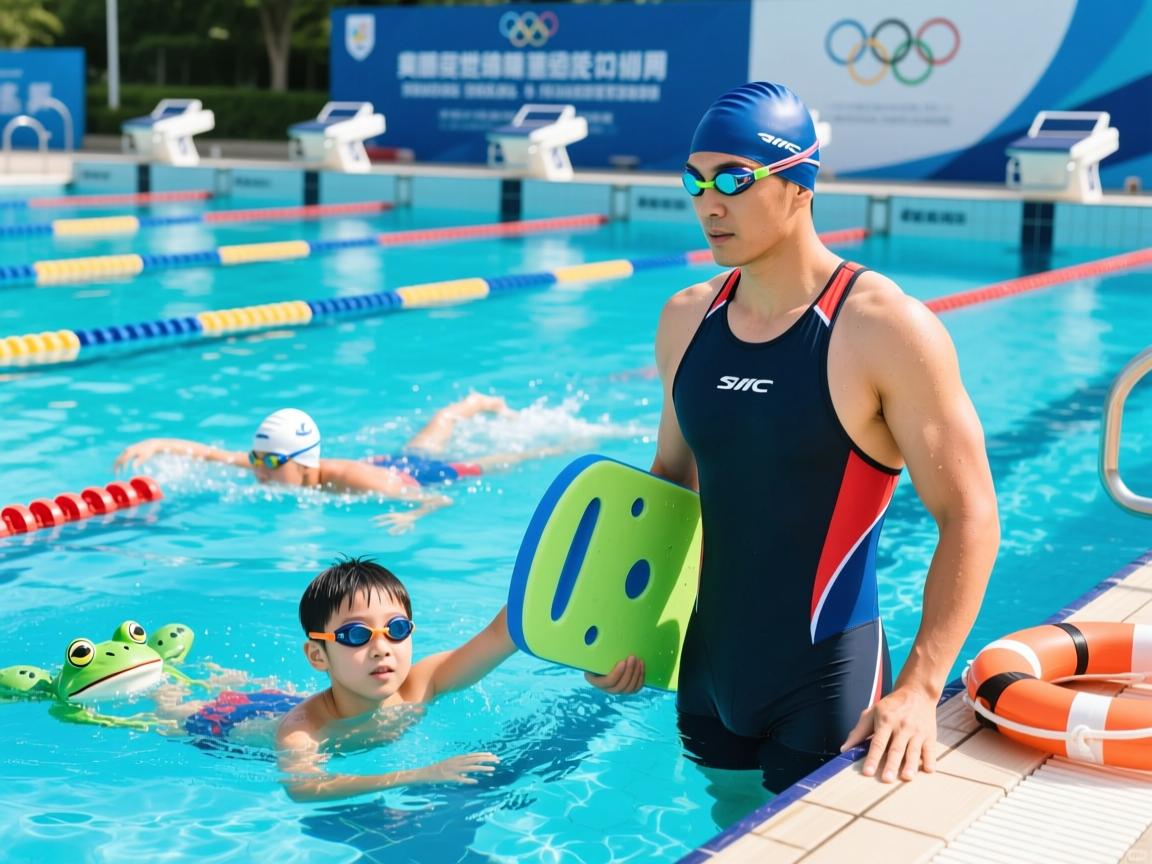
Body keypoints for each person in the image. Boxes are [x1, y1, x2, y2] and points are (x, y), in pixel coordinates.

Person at [587, 82, 999, 807]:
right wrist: (625, 629)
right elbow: (669, 484)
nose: (709, 203)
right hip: (705, 675)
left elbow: (970, 516)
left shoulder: (882, 328)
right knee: (720, 832)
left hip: (827, 684)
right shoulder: (687, 320)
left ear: (801, 184)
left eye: (735, 180)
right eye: (695, 180)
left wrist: (922, 687)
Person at [114, 394, 552, 534]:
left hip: (410, 474)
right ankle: (468, 406)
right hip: (387, 461)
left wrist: (412, 514)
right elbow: (213, 454)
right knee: (428, 436)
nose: (258, 469)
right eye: (256, 458)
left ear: (302, 463)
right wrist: (158, 443)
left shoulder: (358, 483)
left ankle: (492, 413)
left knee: (500, 460)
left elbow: (437, 497)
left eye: (269, 460)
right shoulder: (275, 468)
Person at [275, 556, 516, 802]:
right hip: (242, 719)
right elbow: (303, 789)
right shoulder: (305, 729)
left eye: (396, 629)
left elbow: (501, 635)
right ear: (318, 655)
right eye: (356, 634)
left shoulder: (421, 684)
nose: (381, 648)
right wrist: (417, 775)